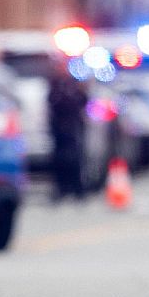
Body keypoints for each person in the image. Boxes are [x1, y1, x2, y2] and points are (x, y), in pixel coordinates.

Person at [46, 59, 90, 201]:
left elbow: (83, 100)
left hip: (73, 126)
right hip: (59, 126)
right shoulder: (54, 83)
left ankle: (78, 190)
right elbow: (51, 102)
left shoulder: (74, 84)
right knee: (59, 159)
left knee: (76, 159)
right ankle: (62, 189)